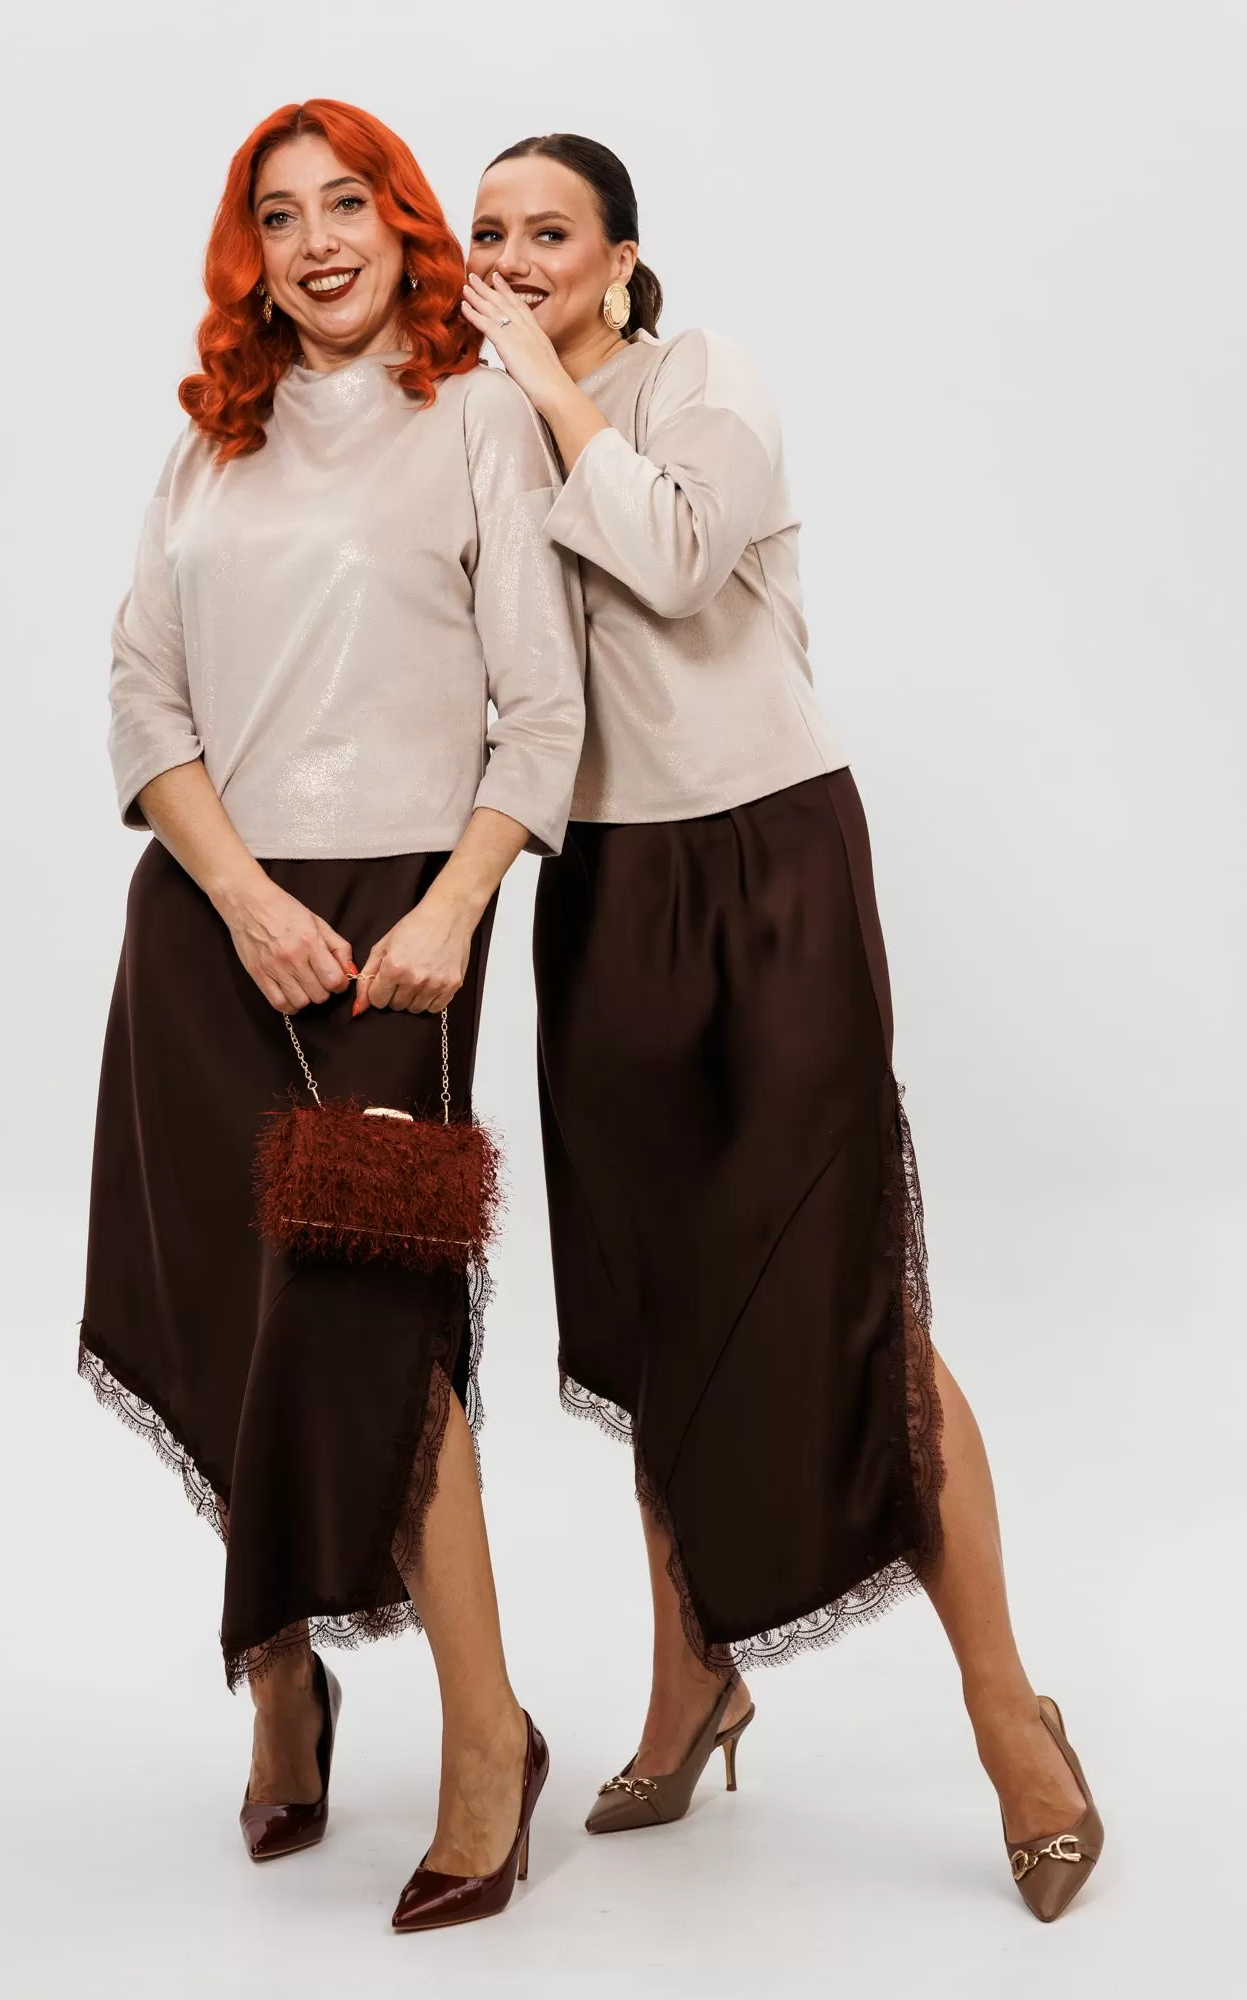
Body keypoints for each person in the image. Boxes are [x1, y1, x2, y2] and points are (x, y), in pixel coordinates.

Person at [461, 132, 1102, 1923]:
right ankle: (694, 1681)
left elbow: (675, 558)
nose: (512, 256)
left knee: (852, 1296)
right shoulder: (482, 424)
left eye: (549, 232)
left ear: (621, 259)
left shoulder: (700, 380)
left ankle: (1011, 1717)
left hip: (768, 860)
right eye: (489, 229)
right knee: (657, 1295)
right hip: (603, 885)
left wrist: (539, 387)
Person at [80, 98, 579, 1932]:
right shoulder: (210, 444)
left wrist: (451, 908)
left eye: (345, 203)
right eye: (278, 216)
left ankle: (487, 1736)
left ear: (401, 221)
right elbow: (143, 696)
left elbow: (543, 710)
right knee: (235, 1317)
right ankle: (281, 1678)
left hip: (395, 940)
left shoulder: (478, 423)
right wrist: (235, 893)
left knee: (380, 1328)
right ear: (252, 255)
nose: (316, 242)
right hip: (213, 920)